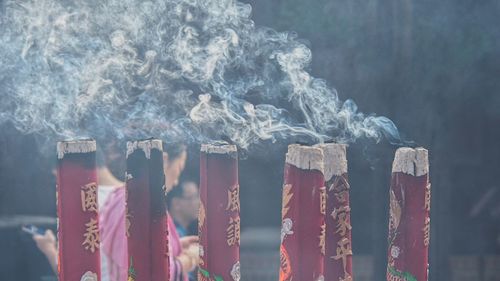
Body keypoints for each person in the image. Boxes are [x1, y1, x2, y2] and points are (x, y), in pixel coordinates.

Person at [100, 142, 199, 281]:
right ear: (163, 160)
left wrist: (175, 245)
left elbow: (141, 250)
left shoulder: (122, 197)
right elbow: (149, 273)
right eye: (179, 168)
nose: (176, 182)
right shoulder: (141, 205)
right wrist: (190, 258)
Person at [33, 145, 124, 280]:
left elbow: (72, 273)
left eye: (59, 175)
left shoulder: (82, 204)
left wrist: (49, 249)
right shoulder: (135, 195)